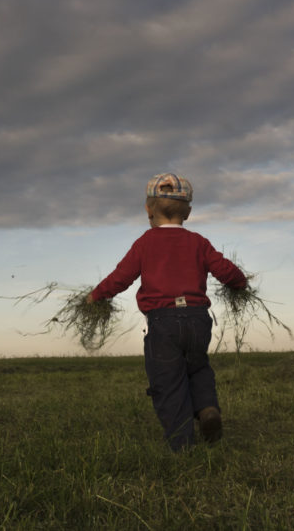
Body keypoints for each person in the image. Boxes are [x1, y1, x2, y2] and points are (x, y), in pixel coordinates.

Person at [87, 173, 248, 451]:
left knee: (168, 380)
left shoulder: (145, 243)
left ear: (148, 209)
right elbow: (225, 270)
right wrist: (240, 283)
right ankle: (207, 408)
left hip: (162, 322)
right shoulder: (199, 242)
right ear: (188, 211)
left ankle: (181, 445)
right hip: (198, 319)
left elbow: (121, 277)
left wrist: (95, 296)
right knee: (197, 368)